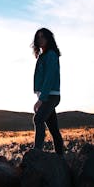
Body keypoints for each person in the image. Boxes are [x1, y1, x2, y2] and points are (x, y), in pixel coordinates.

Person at [31, 28, 64, 156]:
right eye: (38, 37)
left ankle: (37, 153)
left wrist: (41, 99)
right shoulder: (43, 55)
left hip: (51, 96)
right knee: (54, 129)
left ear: (49, 38)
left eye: (43, 37)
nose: (40, 40)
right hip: (47, 95)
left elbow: (49, 78)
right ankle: (60, 158)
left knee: (38, 120)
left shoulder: (51, 54)